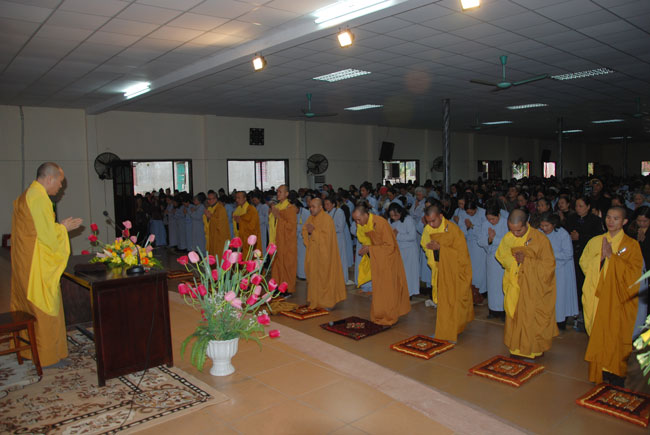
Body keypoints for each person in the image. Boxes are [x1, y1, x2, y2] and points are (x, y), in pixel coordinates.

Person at [11, 162, 82, 367]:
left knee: (30, 308)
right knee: (45, 308)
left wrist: (58, 227)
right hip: (37, 265)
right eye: (60, 182)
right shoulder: (39, 198)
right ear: (50, 179)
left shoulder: (26, 195)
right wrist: (63, 228)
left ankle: (30, 350)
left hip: (25, 262)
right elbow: (47, 237)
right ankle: (48, 357)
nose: (60, 187)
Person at [581, 206, 644, 385]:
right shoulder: (595, 241)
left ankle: (615, 372)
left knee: (616, 334)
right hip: (597, 296)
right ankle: (600, 370)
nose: (611, 221)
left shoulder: (631, 245)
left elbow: (635, 274)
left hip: (618, 299)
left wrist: (612, 258)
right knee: (598, 333)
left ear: (624, 221)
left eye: (616, 218)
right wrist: (600, 259)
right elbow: (584, 263)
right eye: (608, 217)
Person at [496, 209, 558, 359]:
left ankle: (534, 349)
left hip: (533, 288)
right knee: (515, 315)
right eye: (512, 230)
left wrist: (527, 261)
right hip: (515, 285)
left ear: (526, 224)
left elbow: (549, 266)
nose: (515, 233)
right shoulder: (508, 238)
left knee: (531, 317)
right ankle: (516, 348)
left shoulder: (540, 239)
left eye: (519, 230)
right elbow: (501, 255)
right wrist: (514, 262)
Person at [421, 202, 474, 342]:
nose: (431, 225)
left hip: (453, 272)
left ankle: (451, 331)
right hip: (439, 270)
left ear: (441, 216)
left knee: (452, 302)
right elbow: (425, 245)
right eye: (428, 221)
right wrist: (431, 249)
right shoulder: (428, 229)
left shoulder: (453, 230)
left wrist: (441, 249)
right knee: (444, 303)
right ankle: (445, 330)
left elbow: (462, 255)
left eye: (433, 221)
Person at [352, 203, 410, 326]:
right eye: (355, 220)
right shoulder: (365, 225)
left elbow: (390, 246)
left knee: (388, 290)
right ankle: (379, 314)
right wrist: (367, 249)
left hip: (389, 261)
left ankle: (390, 316)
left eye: (358, 219)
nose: (357, 223)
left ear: (365, 214)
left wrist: (370, 249)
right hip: (378, 260)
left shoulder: (380, 223)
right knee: (379, 290)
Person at [565, 196, 604, 326]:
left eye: (581, 206)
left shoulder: (595, 220)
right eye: (576, 206)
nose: (578, 208)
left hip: (588, 256)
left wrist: (580, 237)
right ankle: (572, 310)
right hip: (573, 255)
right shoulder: (571, 218)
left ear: (588, 207)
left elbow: (597, 238)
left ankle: (583, 312)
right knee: (573, 283)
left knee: (584, 283)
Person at [302, 198, 347, 309]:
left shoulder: (327, 219)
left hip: (325, 255)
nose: (311, 209)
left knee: (324, 278)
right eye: (310, 207)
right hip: (313, 254)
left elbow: (327, 239)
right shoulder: (310, 218)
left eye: (313, 207)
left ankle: (327, 302)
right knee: (313, 277)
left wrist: (313, 232)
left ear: (320, 207)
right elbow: (305, 231)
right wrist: (308, 233)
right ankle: (315, 299)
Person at [538, 212, 579, 330]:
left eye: (547, 226)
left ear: (554, 224)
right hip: (544, 269)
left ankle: (560, 322)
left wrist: (549, 254)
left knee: (559, 296)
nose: (544, 228)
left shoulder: (562, 234)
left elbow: (568, 253)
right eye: (542, 225)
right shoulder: (539, 233)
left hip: (561, 270)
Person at [477, 200, 508, 319]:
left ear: (499, 215)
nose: (491, 221)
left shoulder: (506, 223)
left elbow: (508, 241)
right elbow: (480, 240)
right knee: (492, 285)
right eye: (488, 219)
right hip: (491, 258)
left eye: (493, 219)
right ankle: (493, 310)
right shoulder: (485, 224)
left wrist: (494, 238)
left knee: (502, 284)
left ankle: (503, 311)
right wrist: (489, 240)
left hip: (502, 259)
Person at [388, 203, 420, 298]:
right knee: (398, 272)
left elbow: (412, 236)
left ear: (401, 212)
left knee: (408, 273)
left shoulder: (408, 220)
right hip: (397, 250)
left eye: (396, 215)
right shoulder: (390, 221)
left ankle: (409, 292)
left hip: (409, 251)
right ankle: (399, 291)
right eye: (391, 216)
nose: (393, 217)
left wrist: (398, 235)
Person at [270, 185, 298, 294]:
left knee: (286, 265)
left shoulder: (290, 208)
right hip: (276, 241)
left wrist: (279, 217)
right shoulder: (276, 207)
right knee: (276, 265)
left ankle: (287, 288)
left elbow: (291, 227)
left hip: (286, 243)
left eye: (280, 192)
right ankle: (277, 286)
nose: (278, 194)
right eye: (277, 192)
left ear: (287, 194)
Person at [461, 198, 487, 305]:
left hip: (480, 246)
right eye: (468, 212)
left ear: (476, 209)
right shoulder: (464, 214)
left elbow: (484, 230)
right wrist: (467, 228)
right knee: (471, 268)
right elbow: (462, 229)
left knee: (480, 269)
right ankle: (472, 291)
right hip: (470, 243)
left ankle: (481, 291)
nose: (470, 214)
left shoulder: (483, 214)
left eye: (471, 212)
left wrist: (472, 226)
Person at [324, 195, 351, 284]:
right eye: (325, 204)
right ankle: (333, 278)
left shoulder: (339, 212)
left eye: (328, 204)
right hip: (329, 239)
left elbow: (340, 227)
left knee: (340, 259)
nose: (326, 206)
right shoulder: (326, 213)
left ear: (333, 204)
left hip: (338, 239)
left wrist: (328, 229)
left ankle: (343, 279)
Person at [203, 190, 231, 260]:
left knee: (219, 256)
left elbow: (220, 224)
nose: (209, 201)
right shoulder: (210, 208)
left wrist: (210, 217)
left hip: (220, 237)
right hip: (212, 236)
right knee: (213, 255)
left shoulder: (221, 209)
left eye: (211, 199)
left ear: (216, 199)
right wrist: (208, 217)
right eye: (208, 199)